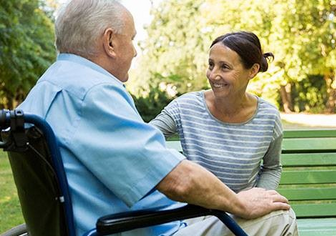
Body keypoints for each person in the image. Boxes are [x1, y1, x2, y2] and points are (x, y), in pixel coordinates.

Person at [18, 0, 295, 235]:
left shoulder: (46, 88)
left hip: (119, 223)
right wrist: (240, 203)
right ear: (110, 41)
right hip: (145, 228)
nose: (136, 50)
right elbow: (178, 180)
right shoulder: (92, 93)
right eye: (133, 39)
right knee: (280, 217)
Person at [151, 31, 299, 235]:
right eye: (211, 65)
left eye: (225, 67)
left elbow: (272, 167)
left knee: (282, 214)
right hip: (193, 214)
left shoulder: (268, 116)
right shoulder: (185, 107)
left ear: (253, 70)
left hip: (242, 213)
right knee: (284, 218)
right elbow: (144, 141)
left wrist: (258, 196)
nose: (213, 75)